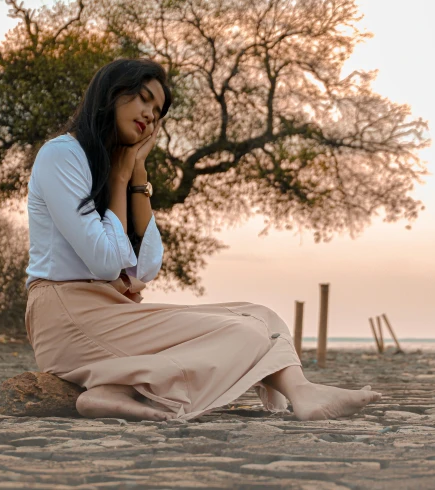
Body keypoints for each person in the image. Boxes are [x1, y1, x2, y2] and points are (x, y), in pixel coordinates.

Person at [25, 58, 381, 422]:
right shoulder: (62, 155)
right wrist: (119, 179)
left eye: (157, 110)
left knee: (264, 317)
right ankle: (131, 391)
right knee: (243, 334)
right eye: (144, 99)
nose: (149, 114)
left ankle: (302, 393)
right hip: (67, 315)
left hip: (111, 309)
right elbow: (104, 263)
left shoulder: (116, 164)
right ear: (111, 95)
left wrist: (137, 176)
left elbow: (145, 267)